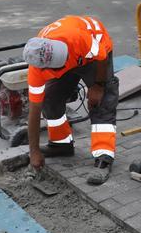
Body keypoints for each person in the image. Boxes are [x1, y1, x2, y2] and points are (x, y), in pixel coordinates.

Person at [24, 15, 119, 185]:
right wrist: (34, 151)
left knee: (102, 101)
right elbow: (34, 111)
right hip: (72, 56)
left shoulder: (76, 40)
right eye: (62, 62)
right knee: (49, 98)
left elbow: (102, 55)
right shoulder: (36, 72)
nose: (66, 60)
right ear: (45, 68)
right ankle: (61, 144)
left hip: (94, 52)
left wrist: (97, 86)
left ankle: (104, 156)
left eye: (64, 56)